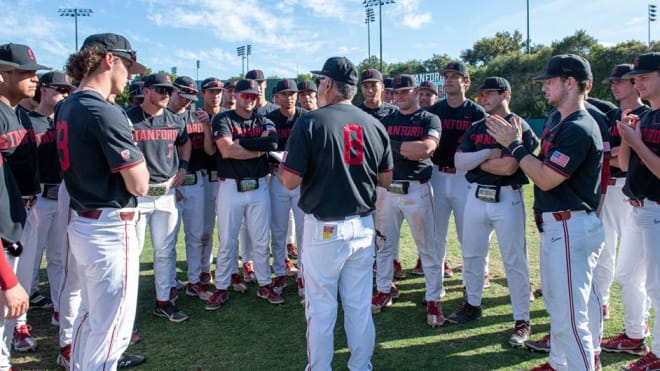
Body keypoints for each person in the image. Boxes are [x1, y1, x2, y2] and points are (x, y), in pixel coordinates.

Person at [487, 54, 605, 371]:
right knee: (563, 305)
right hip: (563, 224)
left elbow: (546, 177)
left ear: (570, 82)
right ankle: (562, 362)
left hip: (570, 225)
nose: (544, 88)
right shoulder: (558, 120)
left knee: (570, 313)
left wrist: (515, 146)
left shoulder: (579, 127)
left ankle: (581, 364)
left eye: (550, 81)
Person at [279, 56, 393, 371]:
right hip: (363, 227)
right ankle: (360, 367)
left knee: (322, 309)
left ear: (328, 85)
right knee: (358, 307)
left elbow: (289, 180)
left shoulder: (310, 121)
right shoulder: (375, 124)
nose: (318, 86)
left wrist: (281, 164)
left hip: (325, 229)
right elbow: (386, 179)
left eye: (320, 82)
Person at [55, 32, 149, 370]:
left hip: (85, 220)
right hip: (110, 226)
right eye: (127, 66)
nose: (129, 76)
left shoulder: (67, 105)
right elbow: (139, 184)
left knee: (90, 317)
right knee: (112, 331)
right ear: (109, 60)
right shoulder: (101, 110)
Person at [451, 77, 537, 347]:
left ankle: (522, 319)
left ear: (505, 95)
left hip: (507, 196)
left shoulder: (518, 126)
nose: (483, 98)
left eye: (489, 93)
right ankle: (472, 304)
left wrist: (477, 162)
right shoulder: (477, 126)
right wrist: (489, 154)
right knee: (472, 254)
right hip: (476, 195)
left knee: (514, 260)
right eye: (481, 94)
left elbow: (510, 167)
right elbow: (458, 161)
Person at [369, 74, 443, 328]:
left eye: (405, 91)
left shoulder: (429, 118)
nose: (399, 95)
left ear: (416, 92)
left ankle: (433, 298)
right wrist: (403, 148)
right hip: (387, 190)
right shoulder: (387, 118)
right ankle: (384, 289)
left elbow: (424, 150)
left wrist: (391, 145)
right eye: (396, 92)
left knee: (427, 248)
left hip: (417, 190)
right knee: (384, 245)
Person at [205, 79, 282, 311]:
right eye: (245, 95)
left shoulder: (264, 119)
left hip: (259, 185)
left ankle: (264, 283)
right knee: (227, 240)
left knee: (260, 239)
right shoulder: (223, 118)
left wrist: (243, 144)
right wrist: (258, 149)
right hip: (230, 185)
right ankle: (221, 286)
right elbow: (226, 150)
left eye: (253, 96)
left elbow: (272, 142)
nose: (249, 99)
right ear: (235, 96)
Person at [597, 63, 652, 358]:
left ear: (635, 85)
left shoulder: (646, 115)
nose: (616, 86)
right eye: (613, 81)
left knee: (636, 271)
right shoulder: (608, 116)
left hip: (634, 192)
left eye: (623, 81)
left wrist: (617, 153)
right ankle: (605, 306)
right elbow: (606, 154)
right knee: (605, 251)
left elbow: (626, 159)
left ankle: (638, 327)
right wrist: (616, 154)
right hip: (610, 186)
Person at [126, 73, 191, 323]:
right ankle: (125, 309)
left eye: (168, 90)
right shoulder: (127, 118)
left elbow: (185, 144)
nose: (166, 94)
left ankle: (164, 301)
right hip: (138, 195)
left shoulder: (174, 120)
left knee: (165, 251)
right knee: (133, 252)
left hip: (166, 192)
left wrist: (183, 167)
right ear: (146, 90)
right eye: (160, 90)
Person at [0, 42, 48, 354]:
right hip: (4, 220)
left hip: (25, 210)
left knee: (16, 291)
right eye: (25, 72)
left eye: (35, 73)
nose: (34, 79)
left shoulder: (20, 113)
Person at [614, 52, 660, 371]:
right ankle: (635, 334)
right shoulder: (645, 116)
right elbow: (626, 165)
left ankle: (658, 354)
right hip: (639, 207)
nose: (637, 82)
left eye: (644, 77)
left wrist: (636, 141)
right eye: (636, 78)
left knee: (657, 286)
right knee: (627, 274)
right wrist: (629, 139)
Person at [427, 61, 487, 281]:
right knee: (436, 234)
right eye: (447, 76)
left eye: (455, 76)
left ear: (466, 82)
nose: (449, 79)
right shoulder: (434, 111)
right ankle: (436, 281)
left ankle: (476, 277)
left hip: (465, 178)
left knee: (469, 233)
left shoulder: (477, 112)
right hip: (437, 174)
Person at [24, 71, 73, 331]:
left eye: (68, 90)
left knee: (58, 258)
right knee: (29, 260)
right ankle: (19, 323)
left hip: (62, 194)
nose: (65, 94)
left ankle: (59, 308)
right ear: (42, 89)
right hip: (38, 197)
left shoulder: (65, 119)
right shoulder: (27, 119)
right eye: (60, 89)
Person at [266, 79, 304, 296]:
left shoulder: (305, 117)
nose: (289, 97)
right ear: (277, 97)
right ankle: (279, 272)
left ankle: (304, 275)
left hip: (300, 180)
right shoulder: (269, 118)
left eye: (292, 93)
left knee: (303, 230)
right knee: (278, 229)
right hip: (277, 178)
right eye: (284, 93)